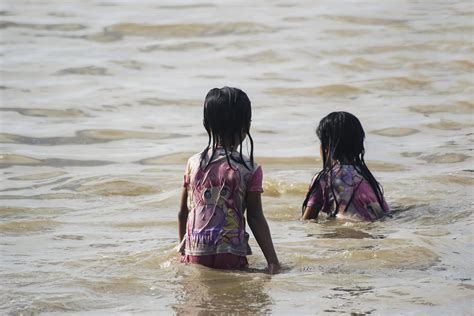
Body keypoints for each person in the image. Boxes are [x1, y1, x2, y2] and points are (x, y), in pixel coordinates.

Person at [178, 87, 280, 274]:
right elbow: (255, 217)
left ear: (205, 124)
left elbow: (182, 212)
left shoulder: (193, 163)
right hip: (230, 253)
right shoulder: (250, 168)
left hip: (195, 251)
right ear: (246, 126)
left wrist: (183, 253)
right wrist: (273, 262)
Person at [302, 111, 390, 221]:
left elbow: (307, 221)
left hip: (349, 232)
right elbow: (385, 213)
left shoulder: (324, 179)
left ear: (326, 146)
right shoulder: (366, 177)